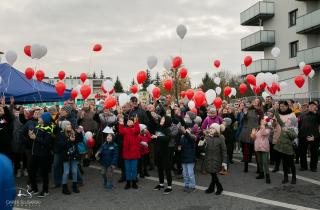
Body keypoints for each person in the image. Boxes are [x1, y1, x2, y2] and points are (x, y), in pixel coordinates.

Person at [29, 112, 54, 198]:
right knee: (31, 170)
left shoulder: (48, 129)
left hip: (43, 155)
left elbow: (47, 143)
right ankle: (34, 188)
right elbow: (35, 140)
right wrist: (31, 135)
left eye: (40, 117)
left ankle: (45, 190)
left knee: (44, 173)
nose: (38, 118)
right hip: (35, 153)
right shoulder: (37, 127)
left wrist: (35, 138)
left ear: (44, 120)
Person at [200, 123, 227, 195]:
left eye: (213, 128)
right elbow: (203, 150)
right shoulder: (207, 137)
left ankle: (218, 187)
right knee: (212, 174)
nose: (211, 129)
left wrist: (224, 161)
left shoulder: (221, 137)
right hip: (208, 159)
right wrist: (201, 145)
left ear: (217, 130)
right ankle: (212, 188)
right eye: (210, 128)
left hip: (217, 159)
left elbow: (224, 150)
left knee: (213, 173)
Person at [57, 120, 83, 195]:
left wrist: (79, 133)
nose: (70, 125)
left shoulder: (73, 132)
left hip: (74, 155)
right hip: (66, 156)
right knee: (66, 172)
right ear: (64, 126)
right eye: (68, 124)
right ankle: (64, 187)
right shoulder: (61, 134)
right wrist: (69, 140)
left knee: (74, 171)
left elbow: (80, 140)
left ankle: (74, 186)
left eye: (70, 124)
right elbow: (60, 145)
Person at [238, 99, 263, 172]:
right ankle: (245, 167)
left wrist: (259, 129)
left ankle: (259, 169)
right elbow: (242, 120)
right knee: (246, 150)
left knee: (256, 151)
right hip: (246, 132)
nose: (255, 102)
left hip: (255, 132)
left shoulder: (260, 112)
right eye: (254, 101)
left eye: (257, 101)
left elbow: (261, 122)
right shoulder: (248, 110)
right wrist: (244, 114)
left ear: (259, 103)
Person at [273, 101, 297, 172]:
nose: (282, 108)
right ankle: (276, 166)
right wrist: (273, 122)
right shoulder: (277, 114)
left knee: (286, 154)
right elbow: (273, 124)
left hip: (287, 137)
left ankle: (288, 168)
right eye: (280, 106)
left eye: (283, 106)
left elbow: (295, 125)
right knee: (277, 153)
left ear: (287, 106)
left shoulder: (292, 114)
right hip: (278, 135)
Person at [118, 114, 140, 189]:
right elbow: (121, 132)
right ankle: (128, 182)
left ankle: (133, 182)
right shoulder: (125, 129)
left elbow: (137, 130)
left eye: (131, 121)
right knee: (127, 169)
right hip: (127, 152)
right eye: (128, 121)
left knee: (134, 169)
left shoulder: (135, 130)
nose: (129, 122)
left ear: (133, 123)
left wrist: (136, 122)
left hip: (134, 152)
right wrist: (121, 123)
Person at [152, 116, 173, 195]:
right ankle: (161, 184)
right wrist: (153, 137)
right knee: (159, 168)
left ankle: (169, 187)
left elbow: (168, 138)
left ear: (167, 121)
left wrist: (157, 137)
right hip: (158, 151)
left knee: (167, 169)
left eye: (163, 119)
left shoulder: (167, 129)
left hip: (165, 152)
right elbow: (155, 138)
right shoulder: (158, 128)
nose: (162, 120)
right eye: (162, 118)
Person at [274, 117, 298, 184]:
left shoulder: (294, 129)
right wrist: (276, 109)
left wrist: (287, 130)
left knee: (291, 164)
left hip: (289, 149)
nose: (287, 120)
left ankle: (294, 178)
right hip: (283, 149)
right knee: (284, 164)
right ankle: (285, 177)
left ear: (292, 122)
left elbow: (294, 136)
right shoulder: (284, 126)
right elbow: (279, 119)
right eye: (287, 119)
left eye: (289, 120)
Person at [298, 101, 320, 172]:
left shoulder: (318, 115)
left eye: (313, 106)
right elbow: (299, 125)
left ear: (316, 107)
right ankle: (303, 166)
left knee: (314, 153)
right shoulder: (302, 115)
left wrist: (315, 136)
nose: (311, 107)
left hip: (314, 137)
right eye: (310, 106)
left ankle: (313, 167)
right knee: (302, 152)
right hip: (303, 136)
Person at [252, 118, 271, 184]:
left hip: (264, 147)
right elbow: (254, 137)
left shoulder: (268, 128)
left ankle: (267, 176)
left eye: (264, 120)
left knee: (265, 162)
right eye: (261, 120)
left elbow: (264, 133)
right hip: (257, 147)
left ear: (266, 122)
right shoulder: (258, 128)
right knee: (259, 162)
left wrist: (262, 126)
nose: (262, 121)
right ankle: (261, 174)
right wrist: (253, 133)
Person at [180, 121, 197, 193]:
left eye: (189, 129)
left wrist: (184, 132)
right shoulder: (182, 137)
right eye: (187, 129)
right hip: (184, 157)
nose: (187, 130)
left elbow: (189, 137)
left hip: (190, 158)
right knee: (185, 173)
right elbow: (182, 144)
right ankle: (186, 185)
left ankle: (192, 186)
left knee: (190, 173)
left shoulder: (193, 137)